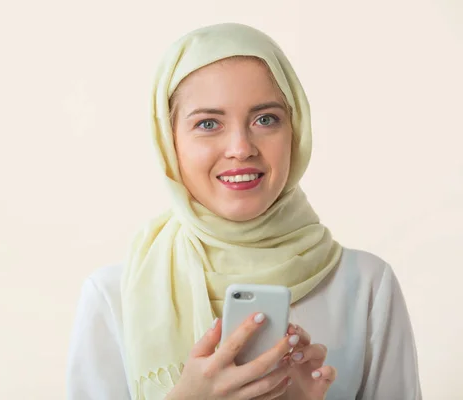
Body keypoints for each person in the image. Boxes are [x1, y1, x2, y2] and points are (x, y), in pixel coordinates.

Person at [66, 22, 422, 399]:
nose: (240, 147)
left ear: (295, 130)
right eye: (207, 123)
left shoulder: (365, 285)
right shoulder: (113, 297)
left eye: (265, 119)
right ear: (170, 143)